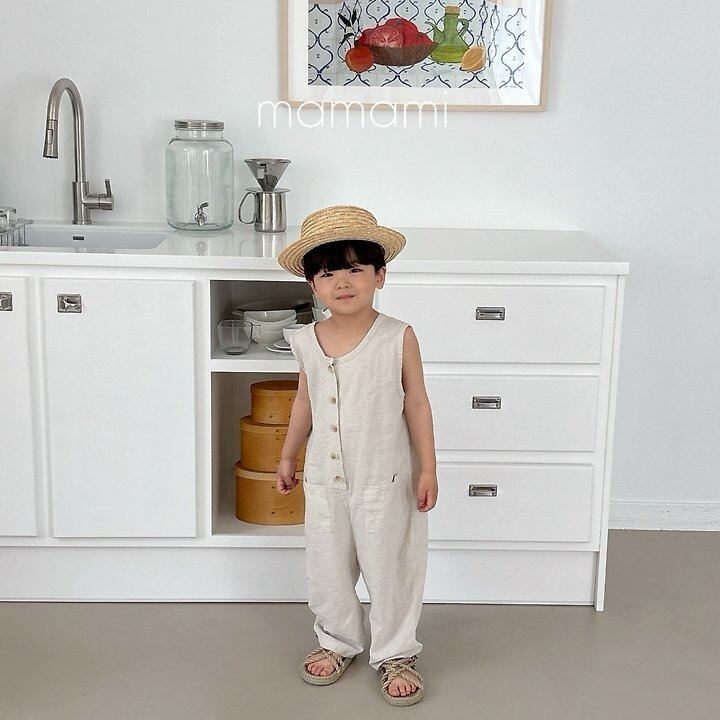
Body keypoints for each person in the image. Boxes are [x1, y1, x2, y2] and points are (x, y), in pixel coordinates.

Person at [275, 205, 438, 706]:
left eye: (354, 269)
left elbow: (417, 402)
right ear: (312, 285)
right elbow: (304, 402)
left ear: (379, 276)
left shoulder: (398, 336)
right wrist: (288, 456)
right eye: (327, 273)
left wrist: (428, 468)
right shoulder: (306, 340)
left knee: (391, 567)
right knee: (327, 566)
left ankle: (395, 652)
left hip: (384, 479)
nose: (341, 282)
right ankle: (337, 640)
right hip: (325, 480)